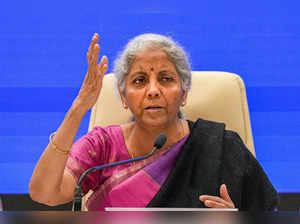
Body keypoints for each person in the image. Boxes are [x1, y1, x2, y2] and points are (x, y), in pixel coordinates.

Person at [29, 33, 279, 211]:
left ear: (184, 93)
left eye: (166, 79)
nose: (153, 90)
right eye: (139, 81)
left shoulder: (222, 146)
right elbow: (45, 194)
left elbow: (268, 211)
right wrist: (78, 108)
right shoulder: (103, 145)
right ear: (123, 97)